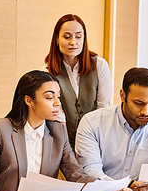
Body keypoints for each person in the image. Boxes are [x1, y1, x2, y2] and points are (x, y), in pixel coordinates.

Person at [0, 70, 135, 191]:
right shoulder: (0, 128)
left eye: (58, 96)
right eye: (49, 97)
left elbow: (77, 175)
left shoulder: (58, 131)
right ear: (29, 100)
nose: (58, 103)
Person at [76, 67, 148, 188]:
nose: (146, 112)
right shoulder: (92, 123)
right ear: (123, 96)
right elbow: (89, 171)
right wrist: (126, 187)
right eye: (139, 103)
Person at [45, 14, 112, 148]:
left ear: (84, 39)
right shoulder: (47, 71)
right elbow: (56, 113)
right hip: (63, 138)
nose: (73, 42)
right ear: (57, 39)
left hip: (95, 137)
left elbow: (104, 106)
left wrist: (92, 141)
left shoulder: (99, 65)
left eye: (78, 36)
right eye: (67, 36)